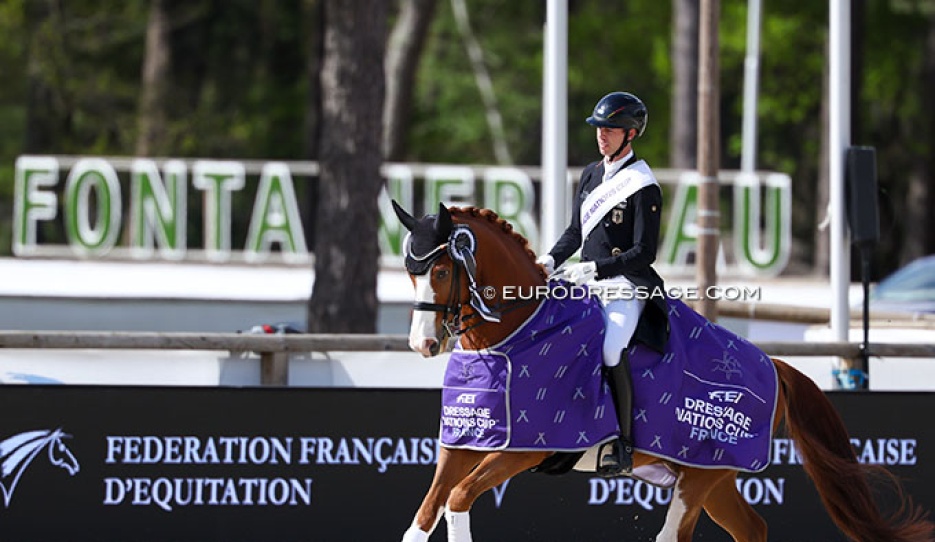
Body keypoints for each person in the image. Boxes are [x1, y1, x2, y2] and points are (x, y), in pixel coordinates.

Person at [537, 91, 669, 477]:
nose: (602, 136)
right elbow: (576, 232)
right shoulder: (591, 174)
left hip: (625, 286)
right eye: (599, 129)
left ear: (631, 134)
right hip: (585, 280)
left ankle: (623, 444)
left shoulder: (644, 185)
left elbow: (645, 253)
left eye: (610, 130)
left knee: (611, 349)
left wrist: (596, 270)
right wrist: (548, 261)